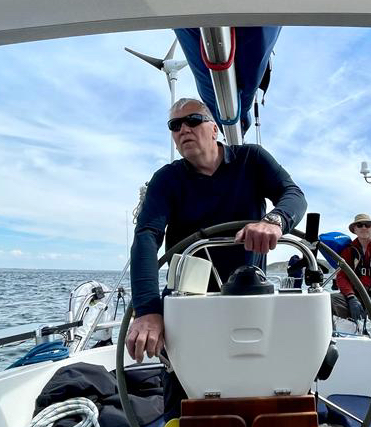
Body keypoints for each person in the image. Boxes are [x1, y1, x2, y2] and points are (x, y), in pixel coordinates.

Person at [126, 98, 307, 369]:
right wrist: (147, 310)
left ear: (214, 128)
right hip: (188, 301)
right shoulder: (166, 179)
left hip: (249, 297)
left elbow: (293, 194)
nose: (183, 129)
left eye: (193, 120)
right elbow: (146, 237)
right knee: (183, 382)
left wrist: (274, 221)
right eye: (175, 125)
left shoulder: (252, 159)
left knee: (256, 375)